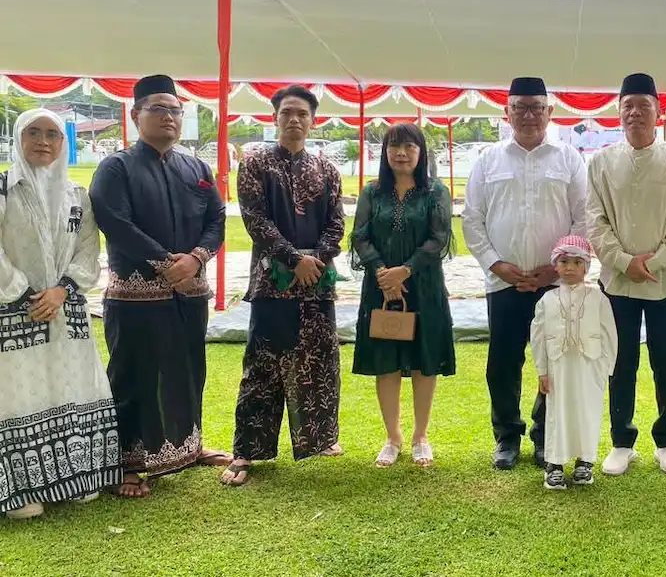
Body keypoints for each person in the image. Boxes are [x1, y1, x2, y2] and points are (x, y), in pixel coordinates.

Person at [89, 75, 230, 498]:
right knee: (135, 375)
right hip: (136, 297)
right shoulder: (117, 167)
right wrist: (165, 262)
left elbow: (217, 219)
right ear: (136, 116)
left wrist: (196, 258)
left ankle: (188, 446)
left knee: (188, 369)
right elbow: (115, 221)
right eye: (159, 109)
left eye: (175, 110)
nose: (169, 117)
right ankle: (125, 466)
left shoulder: (196, 167)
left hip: (189, 293)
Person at [220, 86, 345, 487]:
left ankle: (320, 439)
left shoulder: (327, 169)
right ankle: (247, 452)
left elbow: (337, 223)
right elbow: (255, 220)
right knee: (264, 364)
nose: (295, 120)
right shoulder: (256, 163)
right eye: (287, 113)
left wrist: (317, 259)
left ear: (313, 121)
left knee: (320, 362)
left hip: (317, 284)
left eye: (302, 114)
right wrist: (295, 260)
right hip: (273, 283)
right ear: (274, 118)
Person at [462, 77, 587, 470]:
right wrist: (497, 265)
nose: (529, 115)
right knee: (503, 362)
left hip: (556, 283)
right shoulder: (488, 160)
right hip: (504, 281)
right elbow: (471, 219)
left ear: (550, 112)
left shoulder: (569, 159)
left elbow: (584, 219)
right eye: (521, 107)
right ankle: (507, 437)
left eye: (537, 107)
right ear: (507, 112)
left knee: (556, 360)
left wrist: (557, 267)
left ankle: (545, 435)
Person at [0, 109, 120, 520]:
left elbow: (89, 250)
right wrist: (23, 294)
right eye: (33, 132)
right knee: (18, 394)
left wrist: (61, 291)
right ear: (19, 138)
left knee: (70, 387)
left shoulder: (76, 195)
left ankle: (76, 477)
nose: (43, 141)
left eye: (52, 134)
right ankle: (20, 492)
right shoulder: (4, 188)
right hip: (14, 312)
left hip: (65, 312)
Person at [586, 73, 666, 476]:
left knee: (665, 360)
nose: (635, 113)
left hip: (664, 281)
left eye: (643, 105)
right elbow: (594, 220)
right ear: (619, 113)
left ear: (658, 112)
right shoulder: (600, 162)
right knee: (620, 360)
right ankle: (621, 441)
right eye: (627, 105)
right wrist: (622, 261)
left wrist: (654, 262)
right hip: (617, 282)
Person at [352, 123, 455, 468]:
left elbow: (438, 239)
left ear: (421, 152)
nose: (401, 153)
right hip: (380, 290)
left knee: (425, 362)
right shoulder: (372, 193)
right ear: (384, 152)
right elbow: (360, 236)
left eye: (410, 147)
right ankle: (393, 437)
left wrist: (405, 271)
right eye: (394, 146)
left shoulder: (435, 192)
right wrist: (382, 272)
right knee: (387, 362)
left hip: (423, 289)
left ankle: (420, 436)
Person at [531, 235, 617, 490]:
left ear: (586, 267)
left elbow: (609, 333)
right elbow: (538, 337)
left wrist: (606, 368)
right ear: (555, 265)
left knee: (587, 412)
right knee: (558, 413)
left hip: (590, 367)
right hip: (558, 367)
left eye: (577, 262)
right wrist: (542, 371)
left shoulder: (598, 298)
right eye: (564, 261)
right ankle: (554, 465)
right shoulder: (547, 300)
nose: (569, 267)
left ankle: (585, 462)